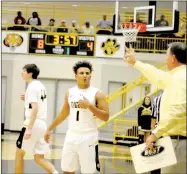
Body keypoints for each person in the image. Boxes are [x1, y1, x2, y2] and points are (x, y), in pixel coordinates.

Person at [124, 42, 186, 174]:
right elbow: (157, 76)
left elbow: (177, 111)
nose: (165, 60)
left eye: (166, 56)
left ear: (173, 58)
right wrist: (136, 63)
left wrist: (155, 134)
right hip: (177, 142)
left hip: (178, 143)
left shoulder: (180, 78)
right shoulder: (177, 76)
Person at [44, 61, 109, 174]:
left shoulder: (98, 94)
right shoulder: (70, 92)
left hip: (89, 136)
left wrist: (90, 106)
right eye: (81, 73)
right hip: (71, 135)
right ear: (76, 76)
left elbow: (106, 117)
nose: (85, 75)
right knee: (67, 170)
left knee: (88, 172)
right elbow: (64, 113)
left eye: (87, 73)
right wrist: (50, 128)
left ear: (90, 76)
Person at [15, 64, 58, 174]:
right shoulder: (40, 86)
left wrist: (29, 128)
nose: (21, 72)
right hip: (42, 125)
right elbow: (37, 102)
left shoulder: (32, 86)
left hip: (32, 123)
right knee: (39, 158)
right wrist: (27, 98)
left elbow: (35, 108)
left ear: (30, 73)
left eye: (23, 71)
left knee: (19, 154)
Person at [151, 94, 162, 174]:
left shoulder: (157, 99)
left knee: (156, 156)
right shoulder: (157, 99)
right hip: (164, 131)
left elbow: (153, 118)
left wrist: (153, 132)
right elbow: (153, 118)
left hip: (157, 130)